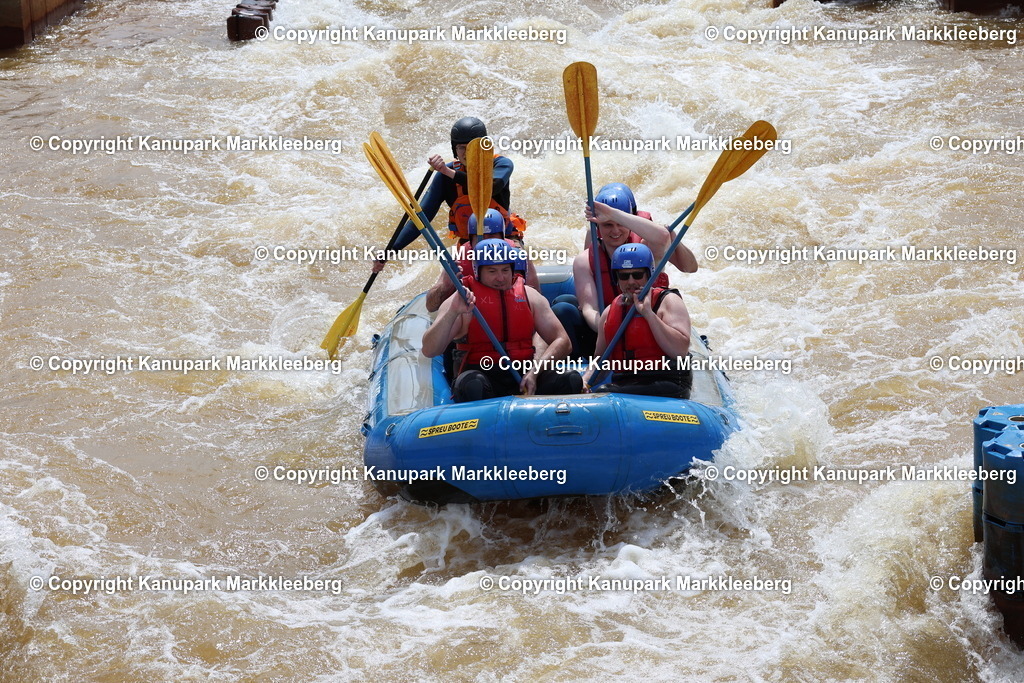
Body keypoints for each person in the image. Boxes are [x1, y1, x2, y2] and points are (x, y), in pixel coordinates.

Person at [422, 239, 582, 402]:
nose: (501, 278)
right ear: (478, 272)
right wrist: (452, 312)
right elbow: (429, 350)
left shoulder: (530, 296)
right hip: (483, 376)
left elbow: (563, 341)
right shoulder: (463, 300)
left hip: (524, 375)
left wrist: (535, 371)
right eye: (492, 271)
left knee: (570, 378)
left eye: (505, 270)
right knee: (473, 384)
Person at [554, 184, 699, 357]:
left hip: (647, 323)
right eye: (607, 225)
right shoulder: (585, 259)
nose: (615, 231)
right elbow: (589, 309)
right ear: (597, 226)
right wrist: (611, 324)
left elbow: (664, 241)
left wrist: (613, 214)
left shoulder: (645, 249)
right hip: (607, 326)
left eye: (620, 224)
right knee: (563, 306)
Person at [372, 117, 518, 277]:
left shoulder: (501, 165)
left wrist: (448, 172)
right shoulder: (445, 177)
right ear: (455, 149)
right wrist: (390, 251)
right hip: (468, 246)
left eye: (472, 147)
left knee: (519, 270)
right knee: (442, 287)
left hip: (505, 242)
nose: (467, 153)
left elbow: (488, 188)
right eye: (462, 147)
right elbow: (420, 220)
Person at [585, 243, 692, 399]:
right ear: (617, 278)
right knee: (578, 383)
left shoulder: (668, 301)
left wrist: (648, 313)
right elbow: (601, 361)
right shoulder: (609, 312)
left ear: (649, 275)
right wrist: (585, 381)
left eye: (637, 275)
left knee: (604, 391)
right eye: (624, 276)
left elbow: (679, 351)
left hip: (669, 382)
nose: (630, 281)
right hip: (627, 383)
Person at [425, 209, 539, 312]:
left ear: (503, 238)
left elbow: (536, 304)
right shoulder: (460, 258)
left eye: (492, 237)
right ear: (471, 239)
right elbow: (431, 307)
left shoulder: (517, 254)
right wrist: (446, 285)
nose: (486, 244)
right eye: (481, 238)